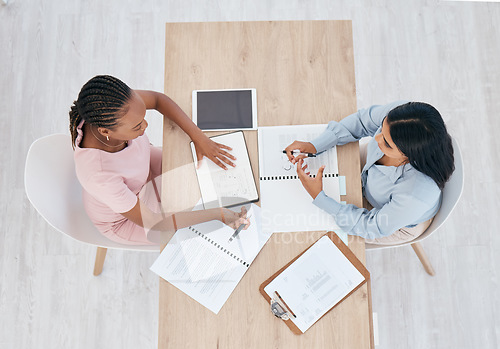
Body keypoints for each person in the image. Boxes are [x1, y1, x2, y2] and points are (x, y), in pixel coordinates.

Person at [69, 75, 249, 245]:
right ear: (106, 132)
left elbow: (157, 100)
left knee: (205, 173)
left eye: (143, 119)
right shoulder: (99, 175)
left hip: (143, 167)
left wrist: (199, 138)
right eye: (137, 126)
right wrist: (218, 215)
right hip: (126, 219)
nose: (145, 127)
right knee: (201, 234)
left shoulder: (118, 106)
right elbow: (154, 223)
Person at [284, 101, 455, 244]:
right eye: (381, 129)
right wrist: (315, 146)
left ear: (409, 155)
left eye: (387, 143)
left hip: (391, 222)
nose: (376, 137)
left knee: (319, 235)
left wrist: (319, 197)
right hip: (370, 174)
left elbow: (371, 226)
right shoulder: (400, 120)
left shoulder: (415, 195)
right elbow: (362, 122)